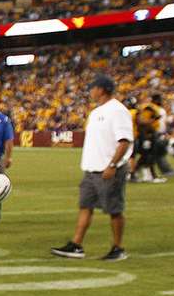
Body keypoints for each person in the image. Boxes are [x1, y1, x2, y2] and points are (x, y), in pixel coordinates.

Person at [51, 75, 134, 261]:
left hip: (109, 169)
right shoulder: (96, 112)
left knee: (114, 210)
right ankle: (76, 245)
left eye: (93, 88)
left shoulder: (118, 111)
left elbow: (124, 141)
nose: (90, 91)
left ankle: (118, 248)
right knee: (85, 206)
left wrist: (112, 165)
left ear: (102, 89)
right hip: (91, 169)